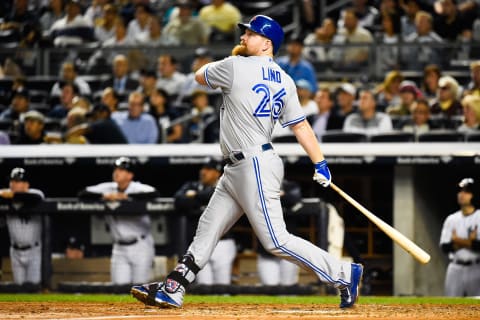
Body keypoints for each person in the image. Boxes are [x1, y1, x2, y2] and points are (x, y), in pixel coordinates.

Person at [131, 14, 362, 309]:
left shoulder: (236, 65)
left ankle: (343, 273)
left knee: (276, 240)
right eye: (245, 33)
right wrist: (320, 163)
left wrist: (233, 58)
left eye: (250, 34)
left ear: (267, 43)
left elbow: (199, 76)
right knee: (209, 226)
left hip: (253, 163)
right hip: (242, 166)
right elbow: (301, 126)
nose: (242, 38)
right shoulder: (286, 80)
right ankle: (175, 286)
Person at [78, 157, 159, 285]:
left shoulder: (137, 188)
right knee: (118, 290)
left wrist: (126, 197)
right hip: (119, 247)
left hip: (141, 246)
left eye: (121, 170)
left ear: (130, 175)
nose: (117, 172)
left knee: (141, 287)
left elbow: (154, 194)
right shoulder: (108, 188)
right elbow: (82, 193)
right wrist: (104, 196)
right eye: (116, 169)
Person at [174, 159, 236, 285]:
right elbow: (179, 201)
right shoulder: (191, 185)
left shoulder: (228, 186)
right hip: (200, 243)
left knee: (223, 286)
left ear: (217, 173)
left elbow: (211, 196)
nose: (203, 172)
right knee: (203, 285)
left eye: (208, 169)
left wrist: (195, 198)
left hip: (222, 243)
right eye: (203, 168)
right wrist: (201, 199)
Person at [0, 167, 45, 285]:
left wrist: (10, 196)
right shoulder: (5, 196)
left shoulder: (35, 195)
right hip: (15, 251)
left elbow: (35, 198)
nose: (13, 184)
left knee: (33, 287)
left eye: (17, 181)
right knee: (18, 289)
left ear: (26, 185)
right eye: (11, 181)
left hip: (34, 251)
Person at [439, 178, 480, 297]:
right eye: (460, 191)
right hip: (455, 267)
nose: (461, 194)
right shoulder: (451, 219)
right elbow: (445, 247)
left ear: (474, 195)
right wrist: (469, 242)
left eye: (466, 191)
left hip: (476, 267)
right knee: (450, 307)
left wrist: (457, 241)